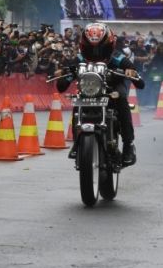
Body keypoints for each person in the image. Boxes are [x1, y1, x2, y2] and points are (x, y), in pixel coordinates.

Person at [55, 23, 144, 167]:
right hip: (89, 89)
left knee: (121, 97)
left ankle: (128, 145)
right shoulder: (79, 59)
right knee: (78, 100)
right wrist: (64, 75)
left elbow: (136, 75)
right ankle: (77, 143)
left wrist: (131, 71)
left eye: (100, 48)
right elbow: (61, 85)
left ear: (109, 44)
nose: (95, 52)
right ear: (84, 46)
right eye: (91, 48)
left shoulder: (117, 57)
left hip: (113, 88)